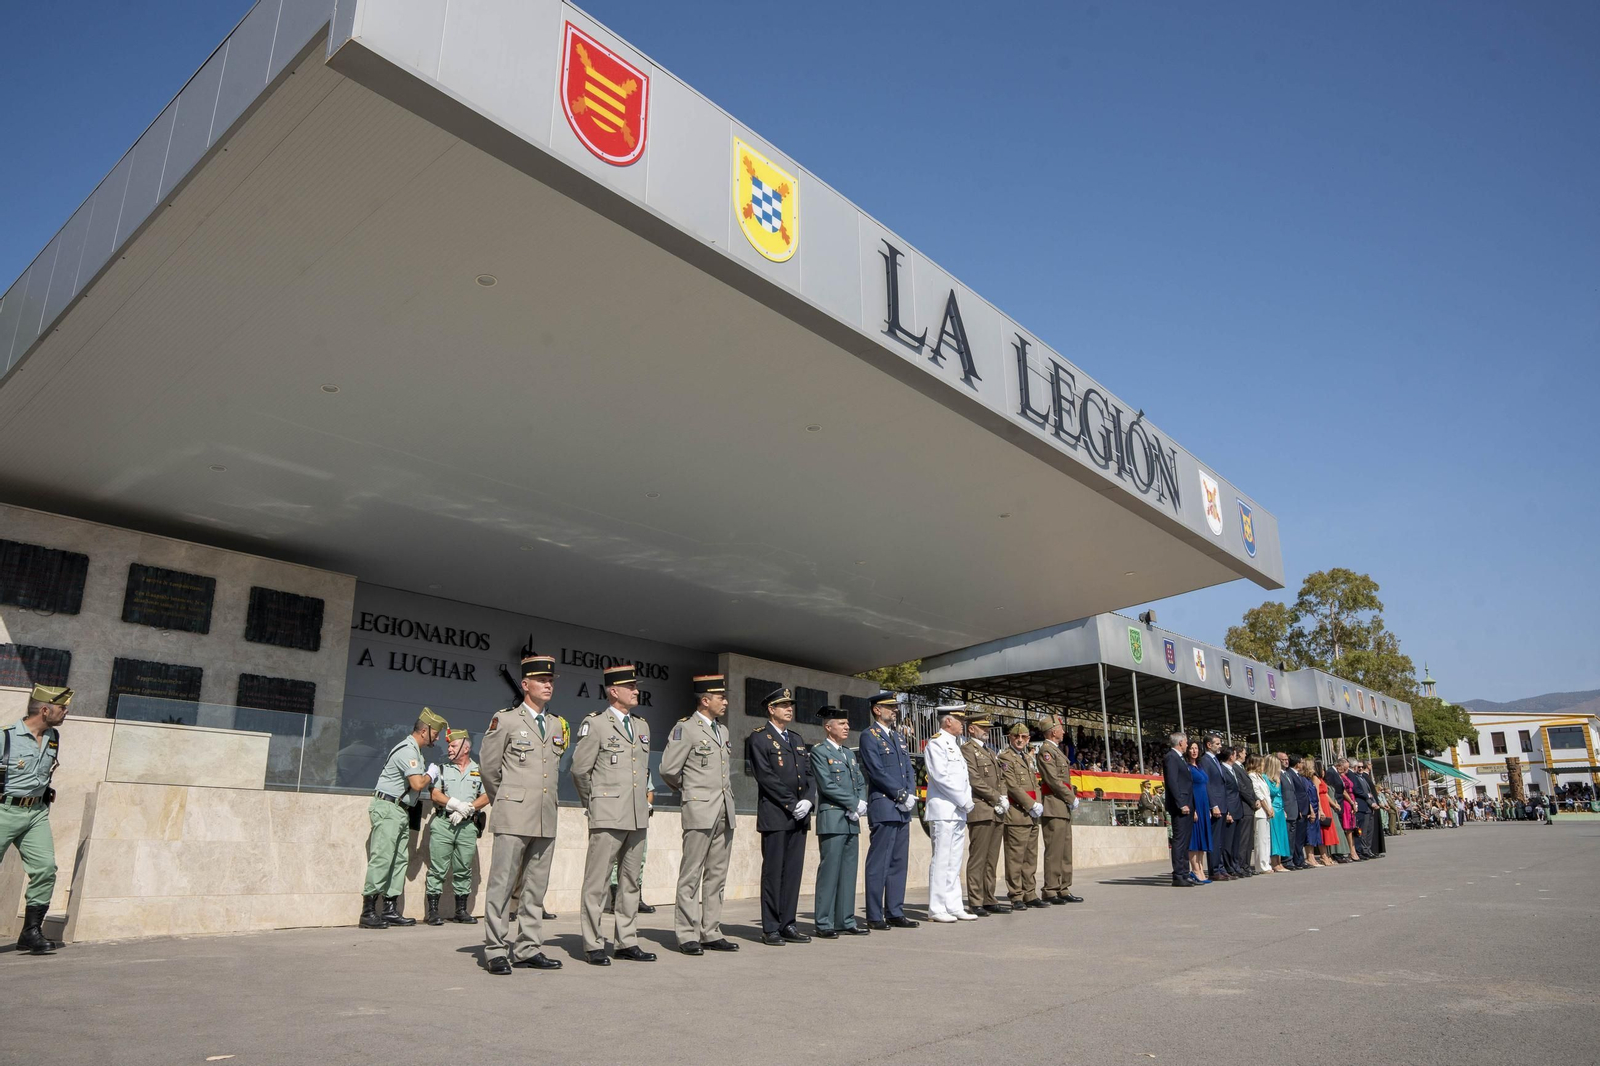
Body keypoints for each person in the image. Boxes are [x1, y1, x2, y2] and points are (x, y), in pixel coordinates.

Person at [480, 654, 566, 975]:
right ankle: (495, 949)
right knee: (502, 884)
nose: (548, 684)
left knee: (535, 886)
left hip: (545, 816)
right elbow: (489, 769)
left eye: (551, 680)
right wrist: (505, 800)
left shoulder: (557, 723)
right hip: (514, 814)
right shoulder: (506, 720)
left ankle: (528, 947)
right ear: (526, 684)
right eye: (542, 680)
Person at [571, 663, 656, 966]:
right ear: (613, 691)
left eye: (636, 686)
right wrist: (593, 804)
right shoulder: (596, 724)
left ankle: (626, 941)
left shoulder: (642, 726)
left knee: (631, 881)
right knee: (597, 882)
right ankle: (593, 943)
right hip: (607, 814)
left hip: (636, 815)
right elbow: (580, 770)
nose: (636, 691)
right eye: (630, 687)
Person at [658, 674, 740, 956]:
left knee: (717, 874)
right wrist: (690, 791)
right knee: (691, 873)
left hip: (723, 810)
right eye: (721, 697)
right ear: (705, 700)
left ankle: (711, 931)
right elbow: (668, 768)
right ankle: (687, 933)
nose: (726, 702)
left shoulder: (723, 731)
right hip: (699, 809)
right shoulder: (686, 729)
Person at [360, 707, 446, 930]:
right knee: (383, 857)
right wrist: (431, 775)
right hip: (388, 807)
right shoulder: (408, 750)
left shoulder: (416, 752)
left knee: (399, 860)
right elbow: (417, 784)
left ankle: (389, 909)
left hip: (400, 810)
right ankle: (368, 912)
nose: (437, 737)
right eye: (435, 732)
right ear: (424, 730)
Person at [1, 684, 71, 955]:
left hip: (36, 813)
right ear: (45, 709)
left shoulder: (53, 737)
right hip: (4, 810)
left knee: (45, 868)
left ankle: (30, 932)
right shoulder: (5, 737)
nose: (65, 712)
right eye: (61, 708)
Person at [746, 686, 816, 945]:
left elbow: (809, 774)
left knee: (793, 872)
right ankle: (771, 927)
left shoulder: (796, 739)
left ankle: (789, 923)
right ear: (771, 709)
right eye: (784, 705)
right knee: (774, 872)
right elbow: (765, 777)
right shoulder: (759, 738)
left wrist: (808, 800)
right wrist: (791, 803)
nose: (789, 709)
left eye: (791, 705)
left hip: (800, 815)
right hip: (777, 814)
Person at [858, 691, 917, 930]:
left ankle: (894, 910)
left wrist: (910, 794)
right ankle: (874, 915)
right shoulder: (869, 736)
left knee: (898, 862)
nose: (895, 711)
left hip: (902, 808)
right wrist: (900, 794)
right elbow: (876, 771)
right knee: (879, 862)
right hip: (885, 805)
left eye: (895, 707)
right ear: (876, 709)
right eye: (889, 707)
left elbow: (909, 769)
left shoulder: (897, 737)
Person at [810, 706, 869, 938]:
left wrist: (861, 802)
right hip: (833, 818)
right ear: (828, 726)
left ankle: (845, 919)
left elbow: (860, 781)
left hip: (850, 821)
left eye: (847, 723)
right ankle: (824, 922)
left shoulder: (848, 753)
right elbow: (826, 785)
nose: (846, 727)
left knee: (848, 872)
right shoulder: (819, 752)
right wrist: (854, 803)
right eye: (841, 723)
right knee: (830, 871)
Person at [425, 727, 487, 925]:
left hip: (467, 826)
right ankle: (433, 912)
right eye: (448, 746)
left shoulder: (479, 770)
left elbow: (486, 795)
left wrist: (467, 808)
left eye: (452, 745)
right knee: (437, 868)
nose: (449, 749)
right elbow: (435, 794)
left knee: (464, 868)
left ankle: (461, 911)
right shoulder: (442, 769)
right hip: (444, 823)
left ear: (465, 748)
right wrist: (455, 804)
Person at [924, 705, 976, 922]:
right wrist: (963, 800)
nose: (962, 723)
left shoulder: (955, 745)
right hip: (944, 809)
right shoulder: (936, 743)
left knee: (954, 860)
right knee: (942, 859)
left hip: (957, 811)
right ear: (947, 721)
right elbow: (940, 777)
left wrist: (967, 800)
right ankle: (936, 908)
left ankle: (953, 905)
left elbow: (963, 778)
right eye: (959, 719)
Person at [962, 716, 1008, 914]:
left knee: (992, 858)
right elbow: (974, 780)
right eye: (983, 727)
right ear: (971, 729)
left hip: (996, 810)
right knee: (978, 858)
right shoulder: (967, 750)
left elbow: (1001, 777)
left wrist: (1003, 797)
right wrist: (997, 798)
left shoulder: (990, 751)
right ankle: (976, 900)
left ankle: (989, 897)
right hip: (981, 809)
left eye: (987, 727)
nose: (987, 730)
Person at [998, 722, 1046, 908]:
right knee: (1015, 858)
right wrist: (1031, 804)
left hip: (1032, 815)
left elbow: (1035, 784)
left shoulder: (1027, 757)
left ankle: (1030, 893)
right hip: (1017, 813)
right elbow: (1012, 785)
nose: (1019, 740)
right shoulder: (1005, 757)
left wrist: (1038, 804)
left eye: (1024, 737)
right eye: (1016, 737)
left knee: (1030, 857)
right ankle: (1016, 895)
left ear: (1028, 739)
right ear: (1010, 737)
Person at [1036, 716, 1082, 903]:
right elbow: (1053, 780)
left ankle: (1063, 887)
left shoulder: (1056, 751)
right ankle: (1051, 889)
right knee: (1054, 850)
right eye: (1061, 729)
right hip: (1053, 805)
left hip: (1061, 806)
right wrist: (1071, 797)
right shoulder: (1046, 751)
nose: (1063, 732)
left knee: (1065, 850)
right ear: (1053, 731)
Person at [1161, 730, 1194, 888]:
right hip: (1180, 805)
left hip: (1187, 803)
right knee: (1179, 841)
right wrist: (1181, 803)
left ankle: (1185, 873)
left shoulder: (1180, 758)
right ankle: (1178, 875)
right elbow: (1172, 782)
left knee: (1185, 841)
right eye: (1186, 741)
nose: (1187, 744)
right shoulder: (1171, 757)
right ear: (1180, 742)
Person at [1200, 734, 1230, 880]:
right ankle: (1214, 869)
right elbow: (1208, 784)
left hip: (1223, 804)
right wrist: (1214, 805)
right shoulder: (1205, 760)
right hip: (1216, 805)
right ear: (1208, 745)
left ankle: (1221, 867)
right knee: (1215, 839)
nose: (1220, 746)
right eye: (1217, 743)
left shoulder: (1215, 760)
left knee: (1221, 840)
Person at [1185, 741, 1213, 885]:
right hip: (1195, 804)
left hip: (1204, 805)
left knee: (1202, 838)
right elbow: (1188, 789)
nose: (1194, 751)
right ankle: (1195, 869)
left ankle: (1201, 868)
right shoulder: (1187, 768)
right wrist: (1193, 808)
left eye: (1196, 748)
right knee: (1194, 839)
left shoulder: (1200, 766)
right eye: (1191, 748)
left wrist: (1208, 808)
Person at [1229, 746, 1257, 876]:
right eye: (1244, 753)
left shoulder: (1241, 768)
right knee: (1244, 839)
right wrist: (1252, 801)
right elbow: (1242, 788)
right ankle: (1240, 865)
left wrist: (1255, 799)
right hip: (1244, 806)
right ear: (1239, 753)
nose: (1246, 755)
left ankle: (1246, 865)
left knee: (1249, 840)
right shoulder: (1235, 767)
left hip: (1249, 807)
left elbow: (1250, 787)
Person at [1277, 752, 1305, 871]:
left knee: (1292, 837)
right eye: (1283, 760)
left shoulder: (1287, 774)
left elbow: (1294, 793)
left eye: (1287, 759)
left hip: (1293, 809)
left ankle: (1291, 859)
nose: (1286, 761)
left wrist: (1298, 809)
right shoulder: (1278, 774)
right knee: (1286, 836)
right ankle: (1286, 860)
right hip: (1285, 809)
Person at [1262, 756, 1289, 873]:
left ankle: (1279, 862)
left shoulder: (1276, 778)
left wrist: (1283, 809)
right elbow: (1268, 794)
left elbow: (1280, 795)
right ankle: (1274, 862)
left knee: (1281, 835)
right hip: (1272, 809)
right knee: (1274, 836)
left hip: (1280, 809)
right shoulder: (1265, 778)